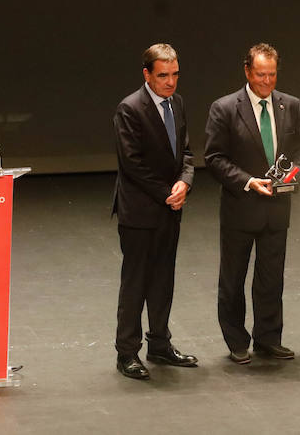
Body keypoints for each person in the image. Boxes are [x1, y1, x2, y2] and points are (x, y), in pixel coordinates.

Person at [203, 43, 300, 363]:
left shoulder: (291, 105)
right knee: (233, 279)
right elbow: (214, 158)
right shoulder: (224, 108)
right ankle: (236, 341)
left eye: (272, 74)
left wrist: (290, 177)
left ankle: (268, 338)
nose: (267, 81)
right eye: (260, 74)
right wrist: (248, 181)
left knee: (271, 278)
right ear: (247, 72)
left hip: (277, 208)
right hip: (240, 207)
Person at [111, 43, 198, 380]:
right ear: (147, 74)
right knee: (136, 283)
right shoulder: (129, 109)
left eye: (175, 74)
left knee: (163, 280)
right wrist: (168, 193)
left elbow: (186, 152)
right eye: (163, 75)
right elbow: (131, 164)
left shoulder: (177, 103)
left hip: (169, 208)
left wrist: (185, 183)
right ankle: (126, 353)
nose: (171, 82)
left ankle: (159, 344)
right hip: (140, 212)